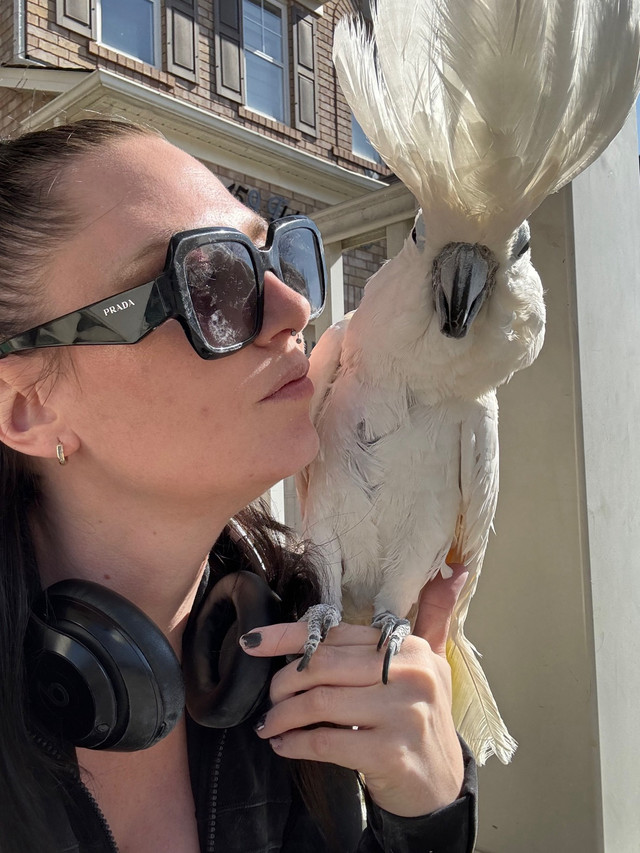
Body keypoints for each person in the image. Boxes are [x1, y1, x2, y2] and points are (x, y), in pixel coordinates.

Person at [0, 119, 477, 853]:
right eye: (210, 284)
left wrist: (427, 813)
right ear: (28, 406)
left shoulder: (302, 661)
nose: (295, 311)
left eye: (278, 256)